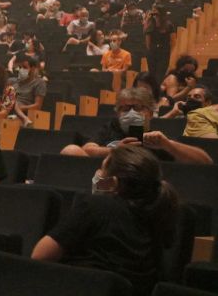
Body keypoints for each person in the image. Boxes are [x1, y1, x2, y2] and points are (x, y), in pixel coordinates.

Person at [31, 146, 178, 296]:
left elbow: (40, 256)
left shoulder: (95, 206)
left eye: (101, 168)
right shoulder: (157, 214)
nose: (97, 174)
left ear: (113, 183)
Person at [60, 88, 211, 164]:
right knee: (71, 150)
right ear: (118, 113)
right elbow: (88, 149)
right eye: (125, 109)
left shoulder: (156, 139)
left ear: (150, 113)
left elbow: (205, 162)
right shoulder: (112, 127)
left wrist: (168, 145)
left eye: (138, 108)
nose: (131, 113)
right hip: (105, 183)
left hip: (141, 190)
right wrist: (114, 150)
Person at [12, 56, 46, 127]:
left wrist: (19, 108)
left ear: (33, 69)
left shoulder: (39, 83)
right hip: (9, 111)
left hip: (25, 114)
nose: (21, 70)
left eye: (24, 67)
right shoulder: (14, 82)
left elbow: (37, 106)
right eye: (20, 67)